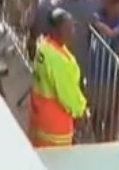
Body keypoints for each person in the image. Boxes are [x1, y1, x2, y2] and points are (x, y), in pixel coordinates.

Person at [30, 8, 87, 147]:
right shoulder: (58, 60)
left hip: (38, 117)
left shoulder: (44, 45)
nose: (72, 32)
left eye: (72, 26)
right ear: (56, 31)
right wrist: (81, 111)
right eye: (67, 28)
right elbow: (67, 94)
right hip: (55, 126)